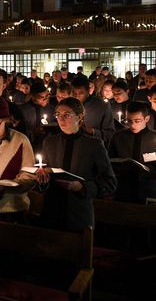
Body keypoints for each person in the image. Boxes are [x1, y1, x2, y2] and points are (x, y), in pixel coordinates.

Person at [38, 97, 117, 232]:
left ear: (80, 117)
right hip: (52, 209)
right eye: (58, 115)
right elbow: (46, 176)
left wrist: (83, 187)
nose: (61, 119)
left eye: (66, 115)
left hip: (78, 212)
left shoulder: (94, 145)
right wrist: (42, 180)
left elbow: (110, 182)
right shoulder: (49, 142)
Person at [0, 97, 37, 219]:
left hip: (14, 207)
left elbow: (29, 176)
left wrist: (9, 187)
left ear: (6, 120)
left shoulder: (21, 140)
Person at [108, 101, 156, 203]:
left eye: (137, 121)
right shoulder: (118, 137)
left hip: (148, 187)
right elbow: (110, 160)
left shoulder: (154, 137)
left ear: (146, 119)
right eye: (129, 121)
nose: (132, 125)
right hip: (123, 186)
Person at [71, 77, 115, 146]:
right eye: (74, 93)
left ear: (88, 91)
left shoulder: (102, 105)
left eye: (81, 93)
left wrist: (91, 131)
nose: (77, 96)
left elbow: (109, 134)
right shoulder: (67, 105)